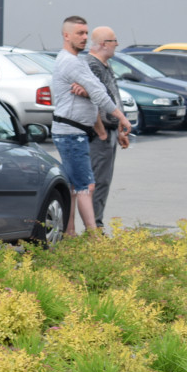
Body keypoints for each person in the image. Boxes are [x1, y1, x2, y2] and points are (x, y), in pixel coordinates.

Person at [52, 16, 132, 235]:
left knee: (76, 187)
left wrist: (102, 127)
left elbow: (95, 92)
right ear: (66, 35)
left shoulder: (77, 60)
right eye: (80, 33)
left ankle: (69, 232)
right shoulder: (70, 62)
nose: (84, 38)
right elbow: (98, 92)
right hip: (70, 132)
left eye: (86, 33)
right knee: (86, 186)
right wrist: (121, 119)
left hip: (76, 131)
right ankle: (93, 234)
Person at [81, 26, 131, 229]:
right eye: (113, 41)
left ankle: (96, 224)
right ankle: (94, 227)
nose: (117, 44)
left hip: (110, 129)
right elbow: (94, 102)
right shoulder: (91, 65)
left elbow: (113, 100)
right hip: (99, 133)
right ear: (103, 44)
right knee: (98, 180)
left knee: (104, 180)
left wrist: (119, 128)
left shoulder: (106, 65)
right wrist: (101, 130)